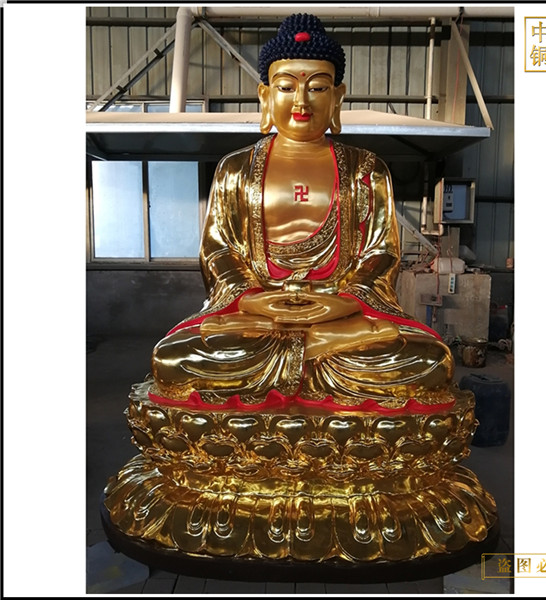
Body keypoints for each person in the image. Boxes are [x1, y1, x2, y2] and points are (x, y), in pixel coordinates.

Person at [150, 13, 455, 412]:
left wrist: (345, 302)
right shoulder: (235, 169)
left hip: (341, 317)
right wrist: (253, 300)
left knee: (430, 361)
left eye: (317, 87)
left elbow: (381, 255)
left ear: (338, 97)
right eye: (286, 87)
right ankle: (313, 355)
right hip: (258, 319)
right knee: (173, 358)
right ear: (265, 96)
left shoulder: (365, 170)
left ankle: (316, 350)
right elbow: (219, 252)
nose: (301, 101)